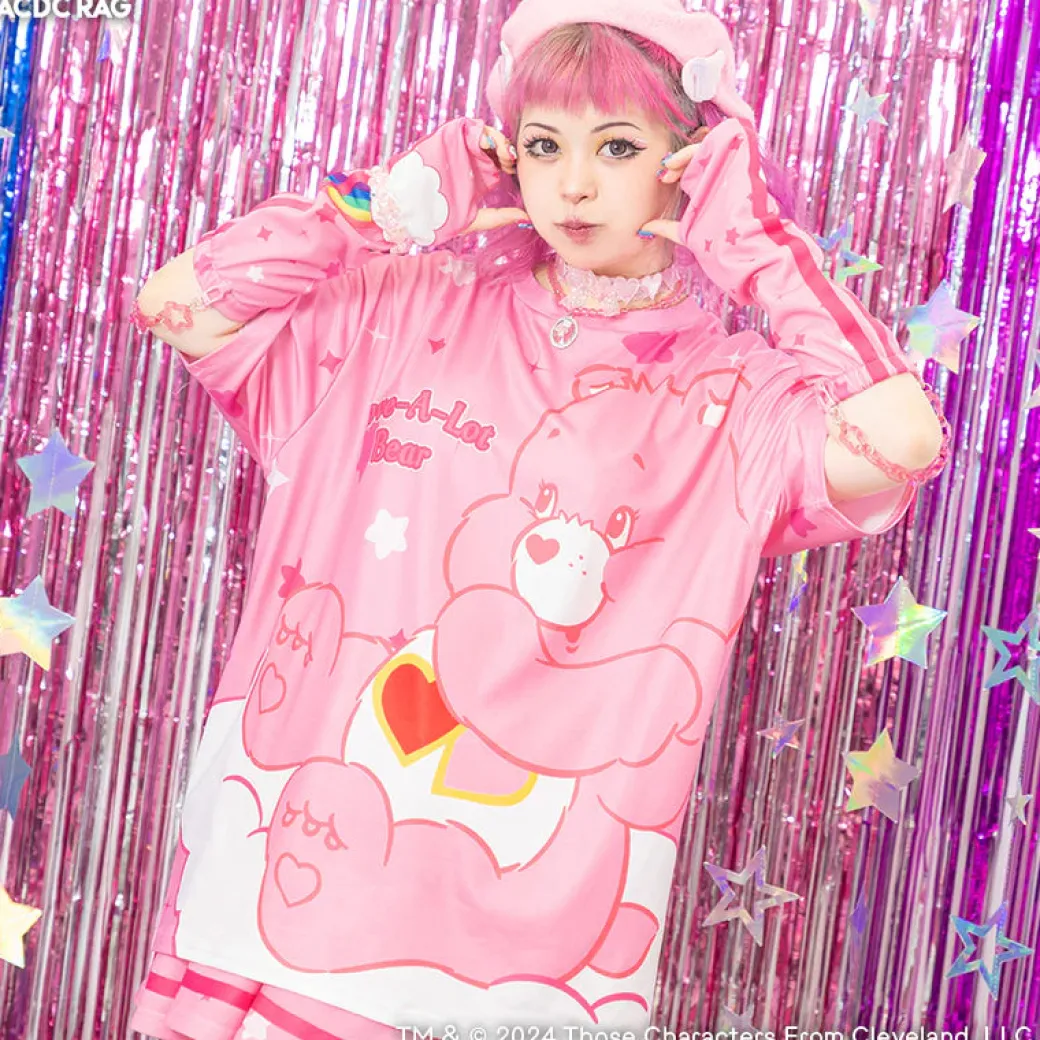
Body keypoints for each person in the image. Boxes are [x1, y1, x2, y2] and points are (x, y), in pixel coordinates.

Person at [127, 0, 950, 1037]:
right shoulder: (402, 305)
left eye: (617, 146)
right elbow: (178, 305)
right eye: (544, 145)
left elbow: (900, 438)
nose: (572, 185)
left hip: (519, 974)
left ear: (691, 160)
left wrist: (758, 248)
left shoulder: (737, 397)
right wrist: (377, 206)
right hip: (278, 901)